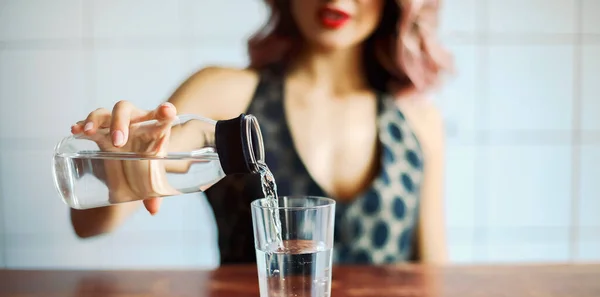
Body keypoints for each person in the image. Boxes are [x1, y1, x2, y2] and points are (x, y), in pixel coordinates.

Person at [70, 0, 453, 265]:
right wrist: (117, 154)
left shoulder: (418, 122)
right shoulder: (224, 94)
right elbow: (90, 224)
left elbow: (433, 274)